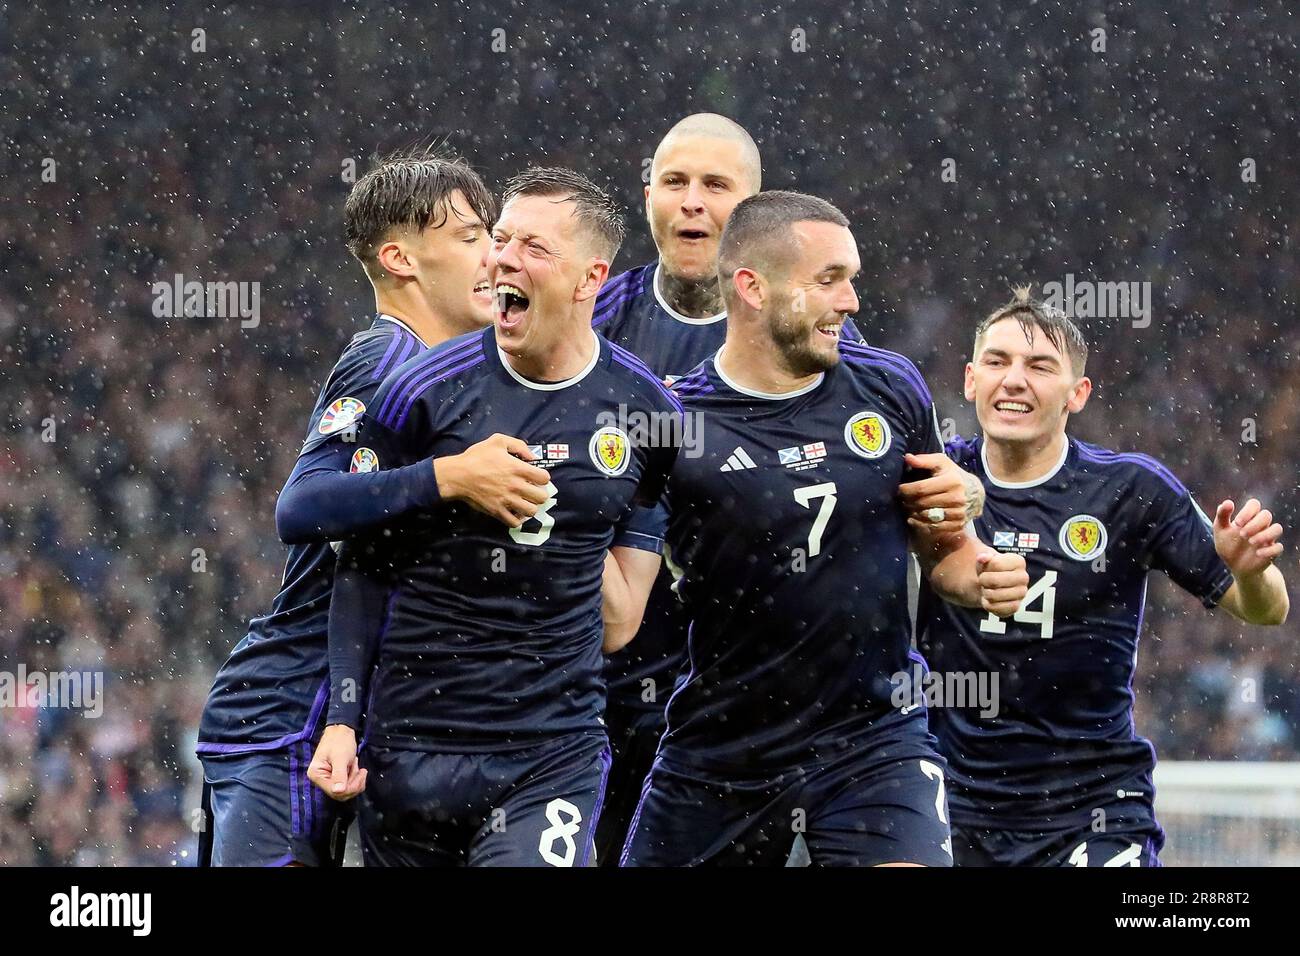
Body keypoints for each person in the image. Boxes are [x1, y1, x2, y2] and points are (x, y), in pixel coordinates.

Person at [620, 191, 1028, 866]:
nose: (852, 303)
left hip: (873, 740)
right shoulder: (672, 423)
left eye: (852, 280)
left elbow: (944, 551)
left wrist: (981, 572)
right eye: (829, 280)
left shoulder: (890, 389)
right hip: (722, 754)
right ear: (751, 287)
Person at [307, 168, 678, 867]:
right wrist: (341, 720)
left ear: (588, 277)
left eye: (532, 246)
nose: (503, 257)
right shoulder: (419, 390)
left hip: (549, 755)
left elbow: (628, 600)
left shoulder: (647, 410)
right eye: (498, 238)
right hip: (410, 748)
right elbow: (361, 568)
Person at [195, 147, 544, 866]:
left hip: (353, 719)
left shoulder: (451, 382)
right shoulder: (386, 358)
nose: (494, 255)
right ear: (401, 258)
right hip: (291, 712)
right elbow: (303, 506)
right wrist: (447, 477)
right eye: (471, 235)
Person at [916, 290, 1290, 867]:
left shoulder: (1130, 490)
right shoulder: (931, 481)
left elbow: (1267, 610)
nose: (1014, 380)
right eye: (997, 361)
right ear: (970, 380)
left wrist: (1252, 571)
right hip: (950, 806)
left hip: (1092, 809)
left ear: (1078, 393)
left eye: (1040, 367)